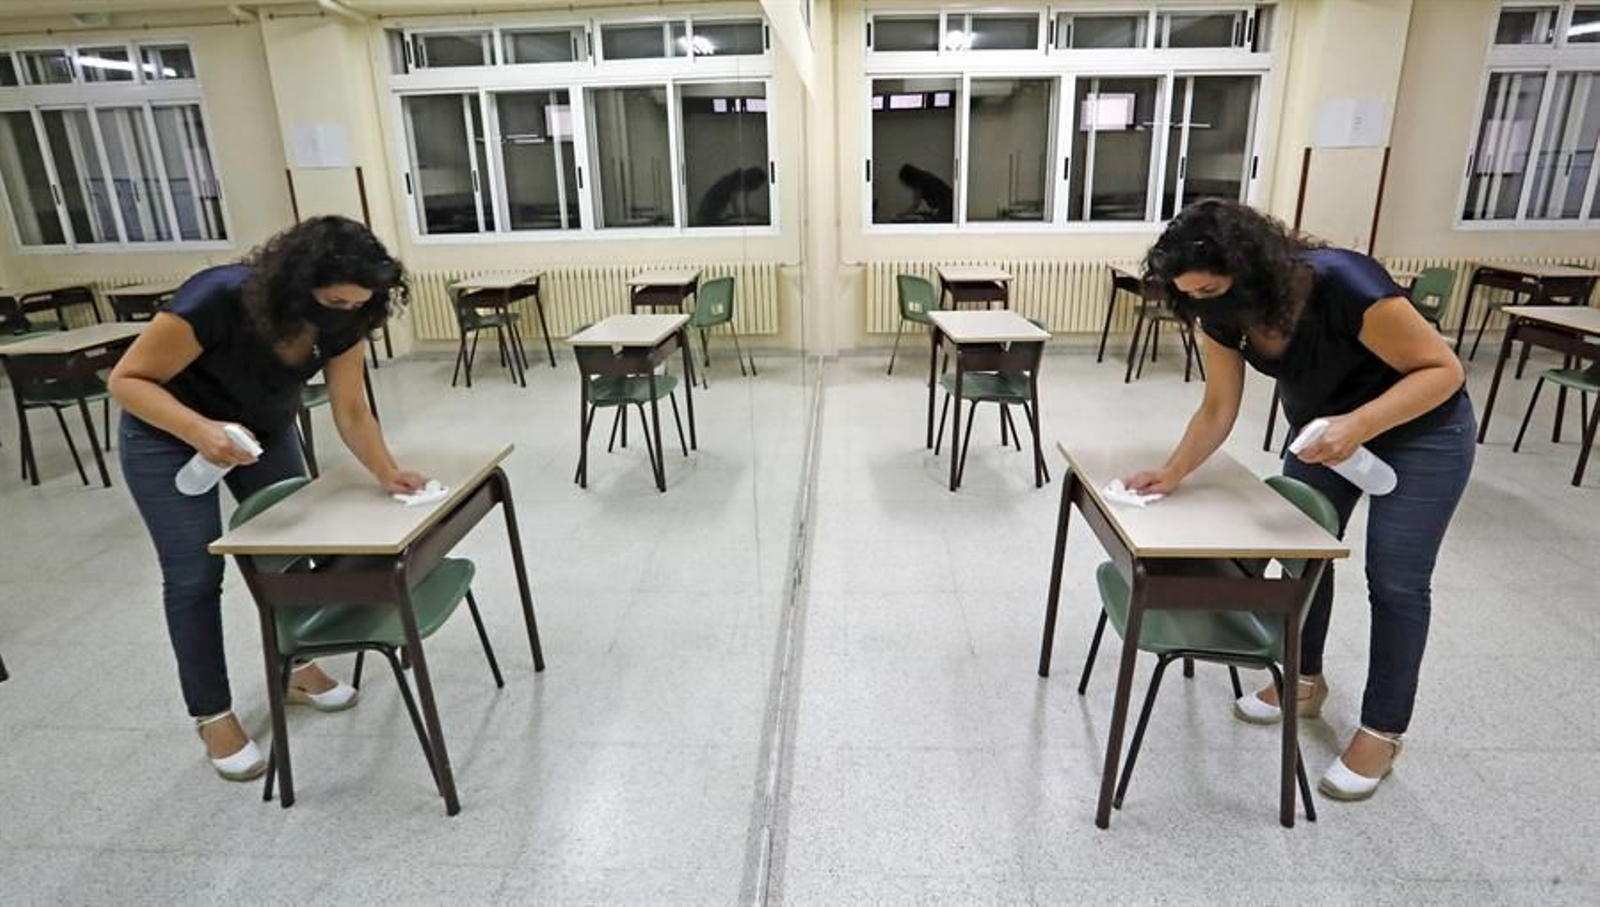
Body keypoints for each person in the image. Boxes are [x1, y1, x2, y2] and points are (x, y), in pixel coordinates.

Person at [1125, 199, 1474, 801]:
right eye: (1191, 295)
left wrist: (1358, 426)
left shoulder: (1344, 283)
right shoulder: (1222, 313)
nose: (1203, 303)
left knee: (1395, 579)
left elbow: (1442, 370)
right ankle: (1304, 681)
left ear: (1249, 266)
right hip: (1323, 433)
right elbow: (1217, 406)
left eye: (1210, 288)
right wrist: (1173, 471)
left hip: (1422, 431)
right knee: (1298, 552)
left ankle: (1382, 731)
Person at [109, 216, 427, 782]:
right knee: (193, 577)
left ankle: (299, 663)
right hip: (166, 435)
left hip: (263, 430)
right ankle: (212, 714)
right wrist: (199, 430)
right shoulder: (218, 297)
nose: (345, 312)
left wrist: (387, 471)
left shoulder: (347, 317)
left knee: (289, 550)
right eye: (334, 300)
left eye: (358, 303)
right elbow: (128, 380)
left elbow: (351, 408)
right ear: (296, 282)